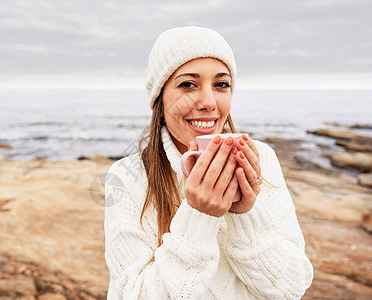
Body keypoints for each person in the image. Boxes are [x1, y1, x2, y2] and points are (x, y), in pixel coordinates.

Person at [104, 26, 313, 299]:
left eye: (221, 84)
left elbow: (291, 288)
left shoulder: (261, 159)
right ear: (160, 98)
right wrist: (199, 215)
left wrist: (245, 214)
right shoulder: (126, 178)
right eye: (188, 84)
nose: (208, 102)